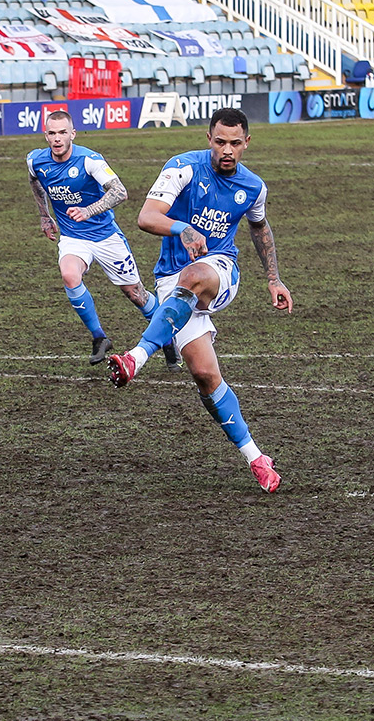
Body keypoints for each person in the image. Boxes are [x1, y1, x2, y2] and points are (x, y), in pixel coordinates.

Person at [105, 108, 292, 493]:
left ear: (247, 144)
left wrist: (273, 278)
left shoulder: (253, 187)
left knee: (194, 276)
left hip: (220, 271)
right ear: (209, 138)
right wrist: (183, 227)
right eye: (220, 141)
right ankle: (257, 459)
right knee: (206, 376)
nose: (227, 150)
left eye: (235, 143)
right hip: (171, 280)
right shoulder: (182, 168)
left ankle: (134, 359)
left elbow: (259, 226)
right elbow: (146, 216)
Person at [27, 110, 169, 364]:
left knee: (136, 293)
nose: (57, 139)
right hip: (73, 237)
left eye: (62, 133)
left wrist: (88, 210)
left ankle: (168, 337)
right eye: (52, 133)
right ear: (45, 135)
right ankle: (99, 337)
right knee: (69, 275)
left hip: (106, 237)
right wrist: (44, 216)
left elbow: (120, 191)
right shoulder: (36, 161)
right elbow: (34, 182)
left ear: (73, 134)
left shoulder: (89, 160)